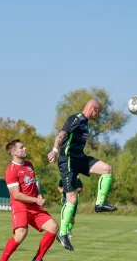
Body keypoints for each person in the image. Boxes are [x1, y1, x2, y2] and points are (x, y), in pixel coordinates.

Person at [47, 99, 117, 252]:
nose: (98, 115)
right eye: (98, 111)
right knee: (71, 198)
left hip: (80, 158)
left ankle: (100, 204)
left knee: (107, 169)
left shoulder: (86, 123)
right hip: (68, 161)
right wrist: (54, 150)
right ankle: (63, 233)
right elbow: (61, 135)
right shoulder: (76, 119)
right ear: (94, 109)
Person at [0, 139, 59, 261]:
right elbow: (17, 195)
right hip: (20, 206)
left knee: (53, 227)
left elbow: (34, 184)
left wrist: (39, 195)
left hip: (34, 206)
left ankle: (38, 259)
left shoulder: (29, 165)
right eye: (21, 147)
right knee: (21, 234)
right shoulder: (11, 170)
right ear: (13, 152)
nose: (25, 149)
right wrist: (36, 200)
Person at [57, 175, 83, 240]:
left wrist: (74, 189)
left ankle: (69, 230)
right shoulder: (63, 176)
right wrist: (61, 189)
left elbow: (80, 188)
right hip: (64, 199)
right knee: (65, 216)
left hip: (74, 199)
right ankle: (63, 233)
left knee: (72, 218)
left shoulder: (77, 177)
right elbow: (59, 187)